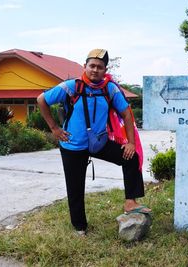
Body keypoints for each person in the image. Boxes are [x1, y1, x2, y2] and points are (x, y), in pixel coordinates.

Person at [36, 48, 151, 236]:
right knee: (75, 187)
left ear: (105, 70)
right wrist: (54, 128)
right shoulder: (72, 86)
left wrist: (130, 143)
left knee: (131, 157)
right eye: (92, 66)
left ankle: (130, 202)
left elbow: (127, 114)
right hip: (73, 145)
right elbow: (41, 100)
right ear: (85, 66)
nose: (95, 70)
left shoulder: (110, 89)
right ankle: (80, 227)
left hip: (99, 143)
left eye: (100, 67)